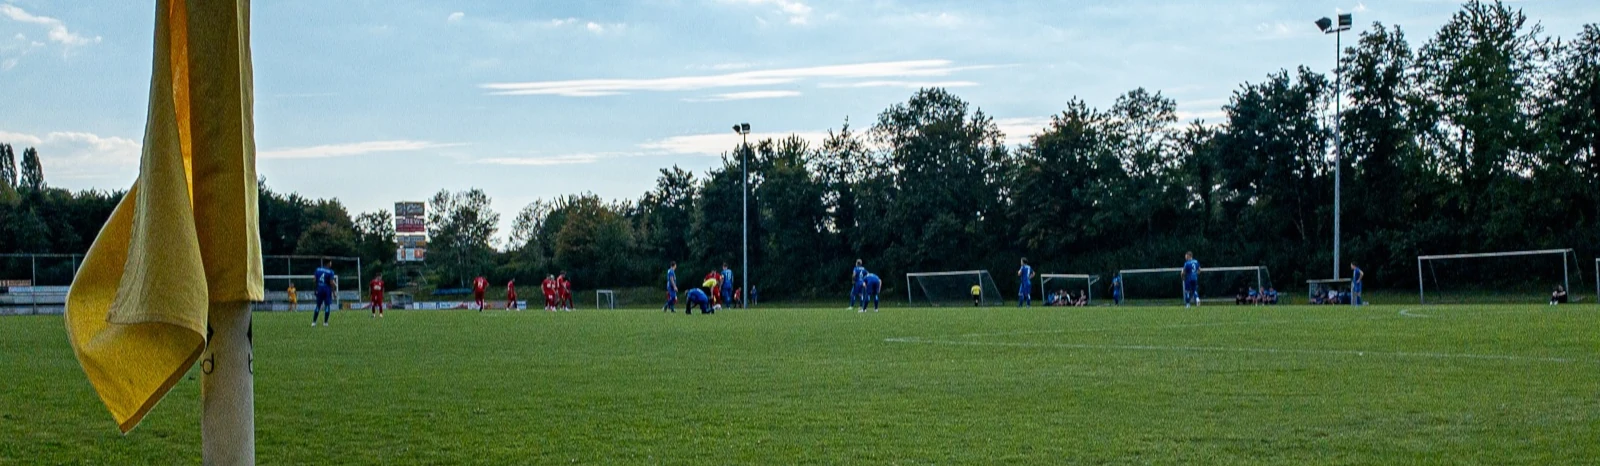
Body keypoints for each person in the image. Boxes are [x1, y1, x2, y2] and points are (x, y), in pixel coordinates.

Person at [312, 258, 337, 327]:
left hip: (319, 288)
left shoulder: (317, 269)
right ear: (328, 263)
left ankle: (314, 322)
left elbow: (314, 280)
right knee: (327, 306)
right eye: (331, 262)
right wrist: (334, 292)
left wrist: (315, 289)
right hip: (326, 289)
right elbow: (331, 283)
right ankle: (325, 322)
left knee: (318, 306)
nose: (331, 264)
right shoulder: (331, 272)